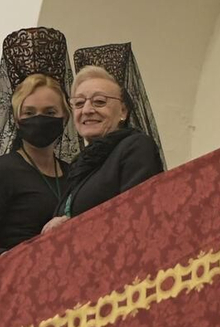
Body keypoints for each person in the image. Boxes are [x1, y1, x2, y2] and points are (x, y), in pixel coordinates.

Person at [0, 27, 79, 271]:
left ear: (65, 117)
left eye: (49, 113)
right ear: (16, 119)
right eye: (30, 113)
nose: (40, 119)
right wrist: (12, 259)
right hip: (20, 284)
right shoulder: (3, 171)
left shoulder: (73, 173)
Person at [47, 45, 164, 227]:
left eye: (99, 102)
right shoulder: (81, 166)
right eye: (79, 103)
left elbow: (136, 215)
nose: (87, 110)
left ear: (123, 111)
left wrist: (72, 227)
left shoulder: (136, 147)